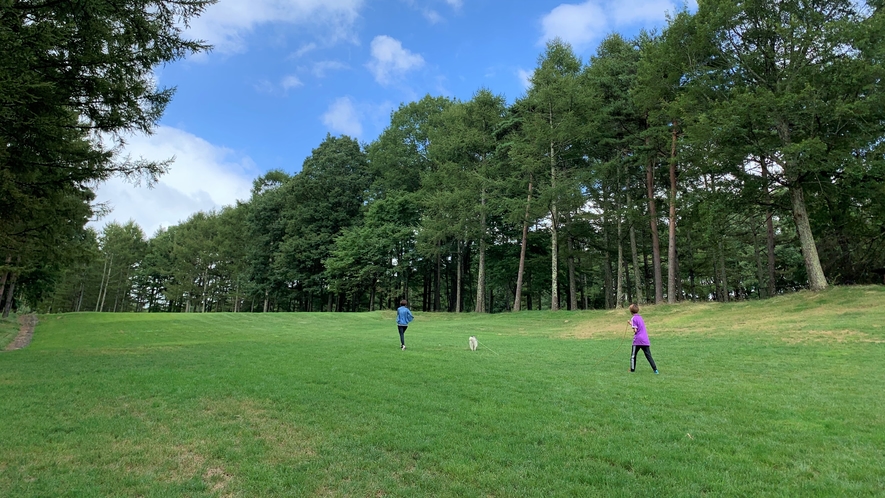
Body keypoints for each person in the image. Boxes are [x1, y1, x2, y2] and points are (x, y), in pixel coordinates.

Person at [628, 303, 658, 374]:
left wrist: (631, 325)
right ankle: (655, 370)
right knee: (648, 355)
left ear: (631, 311)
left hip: (638, 340)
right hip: (645, 339)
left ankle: (632, 370)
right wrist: (631, 324)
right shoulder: (640, 317)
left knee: (633, 355)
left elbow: (635, 330)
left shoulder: (633, 318)